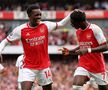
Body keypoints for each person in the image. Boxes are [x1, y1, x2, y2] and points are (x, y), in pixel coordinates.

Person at [0, 3, 71, 90]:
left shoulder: (46, 25)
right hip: (28, 67)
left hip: (44, 66)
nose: (39, 16)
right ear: (29, 16)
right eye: (36, 15)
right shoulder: (20, 30)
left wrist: (71, 14)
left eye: (40, 14)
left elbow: (61, 24)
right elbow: (4, 42)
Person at [59, 10, 108, 90]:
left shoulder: (95, 29)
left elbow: (105, 47)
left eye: (73, 23)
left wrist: (88, 50)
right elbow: (82, 45)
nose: (71, 25)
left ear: (80, 22)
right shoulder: (78, 31)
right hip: (83, 65)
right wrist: (71, 51)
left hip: (97, 67)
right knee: (76, 87)